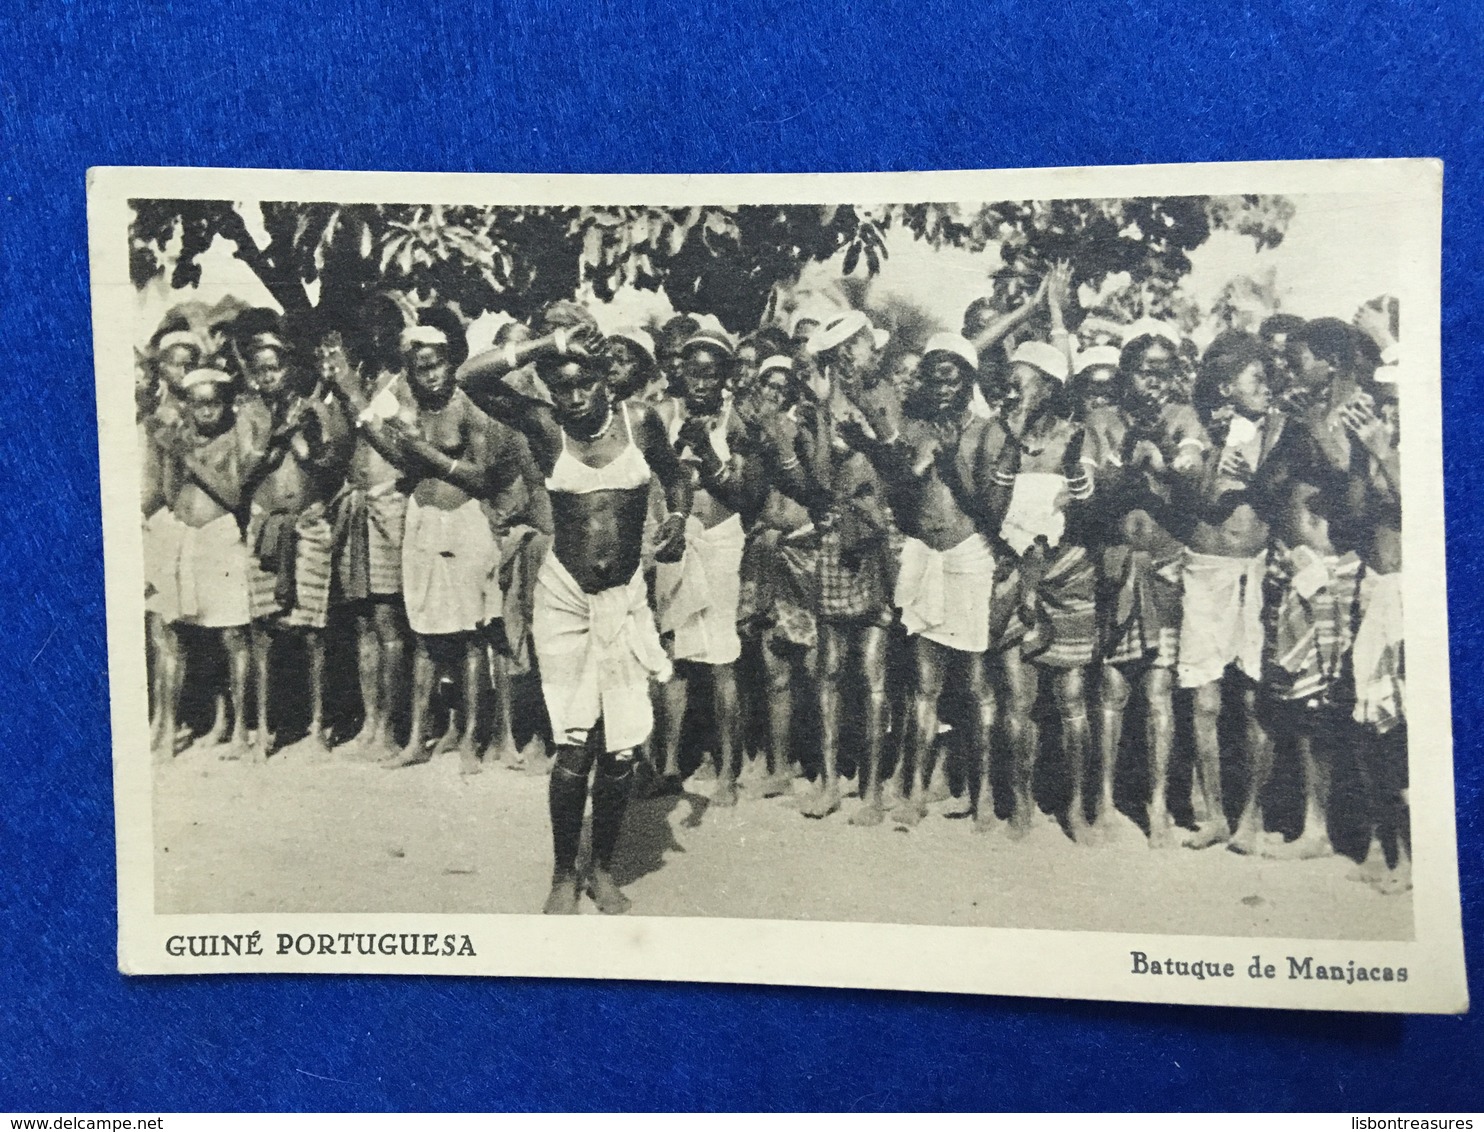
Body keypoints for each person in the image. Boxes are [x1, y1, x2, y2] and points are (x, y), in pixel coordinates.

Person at [497, 338, 691, 914]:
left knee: (621, 751)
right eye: (562, 387)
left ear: (608, 379)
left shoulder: (640, 422)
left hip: (625, 600)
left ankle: (602, 869)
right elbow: (471, 378)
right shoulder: (545, 425)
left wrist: (678, 515)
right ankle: (563, 873)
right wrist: (544, 345)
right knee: (574, 748)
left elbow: (677, 477)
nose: (576, 397)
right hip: (564, 602)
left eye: (586, 383)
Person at [842, 333, 1017, 829]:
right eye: (933, 378)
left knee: (978, 683)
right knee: (925, 683)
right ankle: (915, 792)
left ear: (969, 382)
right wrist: (882, 449)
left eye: (951, 378)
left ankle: (982, 797)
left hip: (971, 555)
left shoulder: (990, 433)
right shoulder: (916, 426)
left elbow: (991, 512)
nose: (941, 388)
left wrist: (947, 461)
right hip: (924, 556)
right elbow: (901, 477)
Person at [368, 309, 529, 774]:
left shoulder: (470, 405)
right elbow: (393, 444)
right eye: (422, 367)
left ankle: (471, 745)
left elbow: (484, 477)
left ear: (450, 360)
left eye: (438, 363)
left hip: (467, 520)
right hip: (422, 520)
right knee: (424, 636)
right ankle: (417, 739)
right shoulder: (406, 404)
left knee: (474, 636)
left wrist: (428, 453)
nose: (432, 374)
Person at [983, 269, 1098, 840]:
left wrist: (1055, 315)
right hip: (1008, 569)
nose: (1011, 391)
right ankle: (1022, 803)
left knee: (1073, 696)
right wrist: (1029, 308)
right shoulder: (996, 433)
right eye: (1007, 382)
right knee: (1015, 696)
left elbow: (1086, 501)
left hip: (1065, 572)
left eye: (1023, 382)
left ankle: (1075, 806)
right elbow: (989, 502)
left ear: (1051, 388)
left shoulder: (1076, 435)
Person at [1086, 324, 1209, 847]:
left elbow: (1191, 468)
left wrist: (1165, 460)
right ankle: (1105, 800)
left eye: (1164, 370)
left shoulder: (1183, 418)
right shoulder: (1100, 421)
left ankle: (1158, 804)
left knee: (1158, 690)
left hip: (1164, 567)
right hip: (1117, 565)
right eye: (1145, 370)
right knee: (1113, 688)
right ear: (1126, 374)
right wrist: (1128, 469)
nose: (1154, 380)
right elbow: (1089, 494)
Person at [781, 310, 898, 819]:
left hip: (878, 540)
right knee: (829, 668)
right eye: (866, 345)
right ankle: (830, 782)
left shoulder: (888, 397)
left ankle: (871, 791)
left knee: (872, 672)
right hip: (836, 540)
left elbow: (894, 466)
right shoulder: (818, 410)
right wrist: (822, 415)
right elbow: (822, 479)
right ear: (847, 354)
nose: (872, 352)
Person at [1181, 330, 1287, 851]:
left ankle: (1252, 819)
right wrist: (1217, 451)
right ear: (1225, 387)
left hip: (1259, 569)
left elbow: (1282, 495)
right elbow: (1195, 503)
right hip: (1206, 570)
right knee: (1205, 701)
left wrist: (1258, 473)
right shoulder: (1197, 429)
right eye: (1256, 379)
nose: (1267, 387)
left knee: (1255, 698)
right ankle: (1214, 816)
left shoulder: (1281, 429)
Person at [652, 329, 766, 804]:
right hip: (675, 542)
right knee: (674, 656)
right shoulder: (661, 415)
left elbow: (748, 495)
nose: (700, 384)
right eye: (692, 372)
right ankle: (669, 765)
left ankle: (727, 774)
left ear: (724, 377)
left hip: (721, 541)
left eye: (710, 374)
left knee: (721, 659)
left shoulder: (738, 421)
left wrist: (712, 454)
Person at [240, 324, 354, 761]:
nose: (269, 376)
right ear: (252, 374)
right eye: (261, 370)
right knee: (264, 632)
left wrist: (303, 444)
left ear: (289, 369)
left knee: (313, 632)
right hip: (266, 526)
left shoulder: (312, 408)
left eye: (276, 367)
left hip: (308, 526)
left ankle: (317, 726)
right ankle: (265, 727)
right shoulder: (248, 412)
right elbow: (245, 473)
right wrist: (277, 436)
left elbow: (331, 466)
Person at [144, 367, 256, 763]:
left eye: (214, 403)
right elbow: (172, 495)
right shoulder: (182, 440)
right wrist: (174, 458)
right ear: (187, 406)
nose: (207, 412)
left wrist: (191, 461)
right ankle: (169, 729)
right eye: (198, 404)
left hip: (221, 535)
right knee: (174, 633)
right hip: (185, 538)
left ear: (226, 405)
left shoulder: (232, 438)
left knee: (232, 635)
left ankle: (241, 728)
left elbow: (233, 493)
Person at [321, 297, 412, 760]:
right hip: (356, 507)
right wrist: (338, 391)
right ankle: (371, 722)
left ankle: (390, 728)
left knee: (388, 620)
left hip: (389, 506)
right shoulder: (359, 380)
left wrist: (353, 394)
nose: (374, 339)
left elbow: (398, 450)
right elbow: (339, 447)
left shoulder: (405, 383)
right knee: (361, 622)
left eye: (383, 330)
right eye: (367, 330)